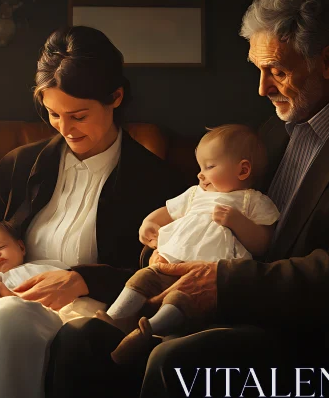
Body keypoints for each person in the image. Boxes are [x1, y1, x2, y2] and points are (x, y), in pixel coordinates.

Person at [136, 0, 329, 397]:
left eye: (278, 71)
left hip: (303, 333)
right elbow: (217, 200)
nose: (262, 88)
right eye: (259, 69)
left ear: (327, 62)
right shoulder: (276, 129)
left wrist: (224, 283)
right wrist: (168, 248)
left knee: (171, 359)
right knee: (87, 338)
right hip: (232, 308)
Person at [0, 25, 184, 398]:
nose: (65, 128)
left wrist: (84, 280)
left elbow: (165, 274)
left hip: (89, 316)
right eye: (53, 114)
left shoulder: (158, 184)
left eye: (78, 115)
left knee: (10, 325)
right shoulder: (20, 165)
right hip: (6, 304)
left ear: (115, 97)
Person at [97, 124, 279, 364]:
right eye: (200, 167)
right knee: (141, 279)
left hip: (203, 279)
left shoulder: (251, 202)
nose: (200, 174)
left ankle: (147, 331)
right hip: (168, 263)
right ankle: (114, 319)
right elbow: (166, 212)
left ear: (243, 170)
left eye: (209, 167)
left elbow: (262, 244)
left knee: (180, 300)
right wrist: (149, 223)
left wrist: (238, 222)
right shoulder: (195, 194)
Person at [0, 220, 105, 398]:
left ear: (21, 247)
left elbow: (74, 291)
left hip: (48, 315)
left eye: (0, 246)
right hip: (4, 318)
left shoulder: (46, 267)